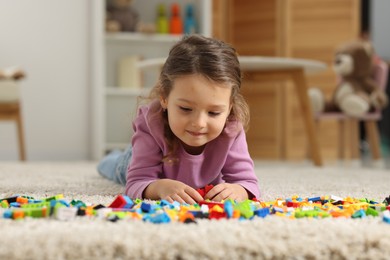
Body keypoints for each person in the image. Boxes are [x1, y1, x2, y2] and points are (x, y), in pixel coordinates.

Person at [98, 34, 260, 204]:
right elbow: (136, 183)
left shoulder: (231, 128)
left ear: (230, 108)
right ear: (164, 98)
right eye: (185, 109)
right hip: (134, 161)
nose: (199, 123)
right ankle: (114, 156)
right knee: (113, 166)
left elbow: (248, 182)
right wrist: (161, 187)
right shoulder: (151, 122)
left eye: (213, 113)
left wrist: (239, 190)